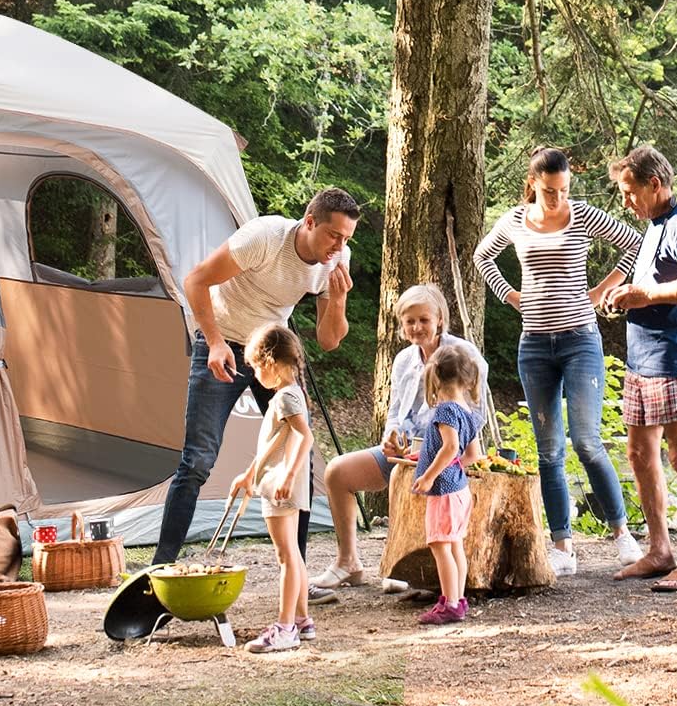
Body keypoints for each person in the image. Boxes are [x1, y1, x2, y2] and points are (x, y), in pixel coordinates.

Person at [151, 187, 358, 566]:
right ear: (309, 222)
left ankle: (296, 572)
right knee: (197, 461)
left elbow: (329, 340)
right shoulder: (264, 237)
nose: (339, 246)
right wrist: (215, 342)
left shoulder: (337, 259)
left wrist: (339, 299)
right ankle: (159, 569)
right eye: (333, 235)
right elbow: (196, 281)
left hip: (273, 350)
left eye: (346, 239)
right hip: (224, 340)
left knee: (299, 454)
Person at [474, 146, 645, 576]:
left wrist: (602, 290)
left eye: (564, 189)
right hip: (534, 347)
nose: (558, 198)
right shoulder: (515, 220)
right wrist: (509, 295)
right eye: (550, 191)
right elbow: (482, 256)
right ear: (533, 184)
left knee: (586, 441)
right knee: (549, 451)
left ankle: (622, 534)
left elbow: (636, 244)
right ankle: (563, 546)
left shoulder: (582, 215)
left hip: (579, 341)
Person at [311, 284, 487, 594]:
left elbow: (476, 412)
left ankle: (407, 568)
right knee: (337, 471)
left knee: (406, 481)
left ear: (440, 320)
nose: (417, 327)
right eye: (410, 321)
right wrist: (390, 438)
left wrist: (442, 455)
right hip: (408, 451)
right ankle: (348, 562)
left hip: (448, 455)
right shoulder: (404, 360)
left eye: (424, 320)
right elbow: (394, 413)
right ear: (402, 325)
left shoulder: (462, 354)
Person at [603, 145, 677, 591]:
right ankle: (659, 551)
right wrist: (623, 295)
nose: (626, 201)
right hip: (642, 359)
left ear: (654, 184)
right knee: (638, 454)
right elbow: (651, 284)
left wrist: (645, 295)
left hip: (675, 356)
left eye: (629, 191)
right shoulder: (654, 226)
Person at [231, 325, 316, 652]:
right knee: (293, 553)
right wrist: (249, 475)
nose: (255, 374)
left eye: (256, 366)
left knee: (286, 556)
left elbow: (305, 436)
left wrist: (288, 475)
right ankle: (302, 620)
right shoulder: (290, 395)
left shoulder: (286, 397)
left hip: (281, 486)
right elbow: (276, 442)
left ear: (271, 362)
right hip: (276, 482)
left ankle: (285, 628)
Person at [411, 344, 485, 623]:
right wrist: (448, 465)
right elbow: (473, 454)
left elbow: (451, 447)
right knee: (454, 545)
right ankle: (458, 599)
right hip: (460, 490)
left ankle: (450, 604)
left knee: (440, 545)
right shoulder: (468, 412)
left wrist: (430, 475)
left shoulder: (446, 411)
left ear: (435, 377)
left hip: (443, 492)